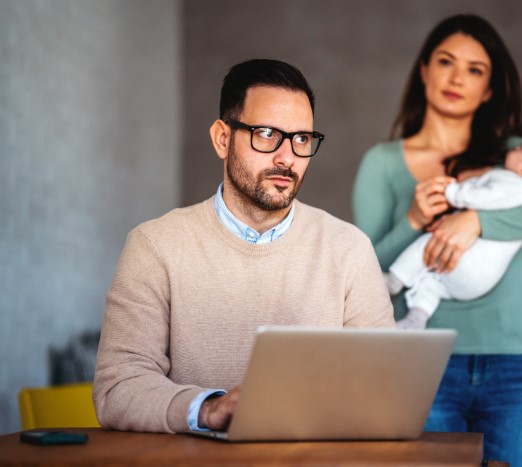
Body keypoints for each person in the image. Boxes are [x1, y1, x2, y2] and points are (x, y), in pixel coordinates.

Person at [93, 59, 395, 434]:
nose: (287, 157)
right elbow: (118, 388)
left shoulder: (350, 250)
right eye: (267, 133)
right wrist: (207, 409)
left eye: (302, 139)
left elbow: (383, 387)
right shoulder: (154, 246)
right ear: (223, 139)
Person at [352, 15, 522, 467]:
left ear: (491, 88)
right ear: (424, 70)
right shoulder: (382, 163)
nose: (458, 78)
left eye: (475, 69)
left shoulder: (521, 154)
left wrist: (475, 220)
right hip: (423, 363)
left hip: (516, 364)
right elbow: (364, 269)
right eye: (446, 62)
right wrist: (415, 219)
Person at [387, 137, 522, 329]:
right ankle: (416, 319)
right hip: (478, 282)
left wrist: (451, 192)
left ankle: (395, 280)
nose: (515, 148)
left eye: (521, 150)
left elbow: (479, 197)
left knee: (428, 244)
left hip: (468, 262)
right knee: (431, 285)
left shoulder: (512, 182)